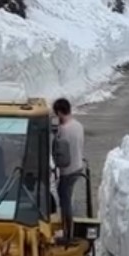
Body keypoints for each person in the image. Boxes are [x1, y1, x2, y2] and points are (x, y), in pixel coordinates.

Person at [52, 97, 85, 239]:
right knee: (68, 196)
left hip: (68, 170)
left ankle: (68, 232)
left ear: (59, 112)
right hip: (78, 166)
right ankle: (68, 228)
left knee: (64, 200)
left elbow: (59, 153)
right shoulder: (78, 125)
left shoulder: (63, 130)